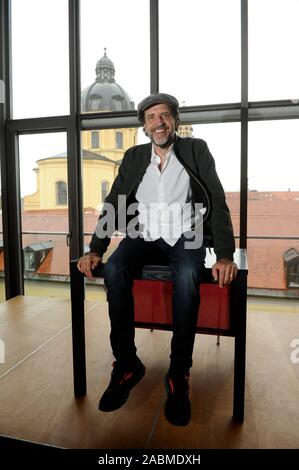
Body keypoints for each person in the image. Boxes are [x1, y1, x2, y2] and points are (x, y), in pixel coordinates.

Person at [77, 92, 238, 426]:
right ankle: (126, 365)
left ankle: (178, 373)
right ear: (145, 126)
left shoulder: (196, 150)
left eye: (164, 115)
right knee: (115, 270)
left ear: (175, 120)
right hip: (143, 233)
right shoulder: (135, 156)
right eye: (151, 118)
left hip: (186, 234)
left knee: (188, 279)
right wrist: (95, 249)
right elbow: (114, 202)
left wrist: (224, 255)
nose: (158, 122)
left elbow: (217, 200)